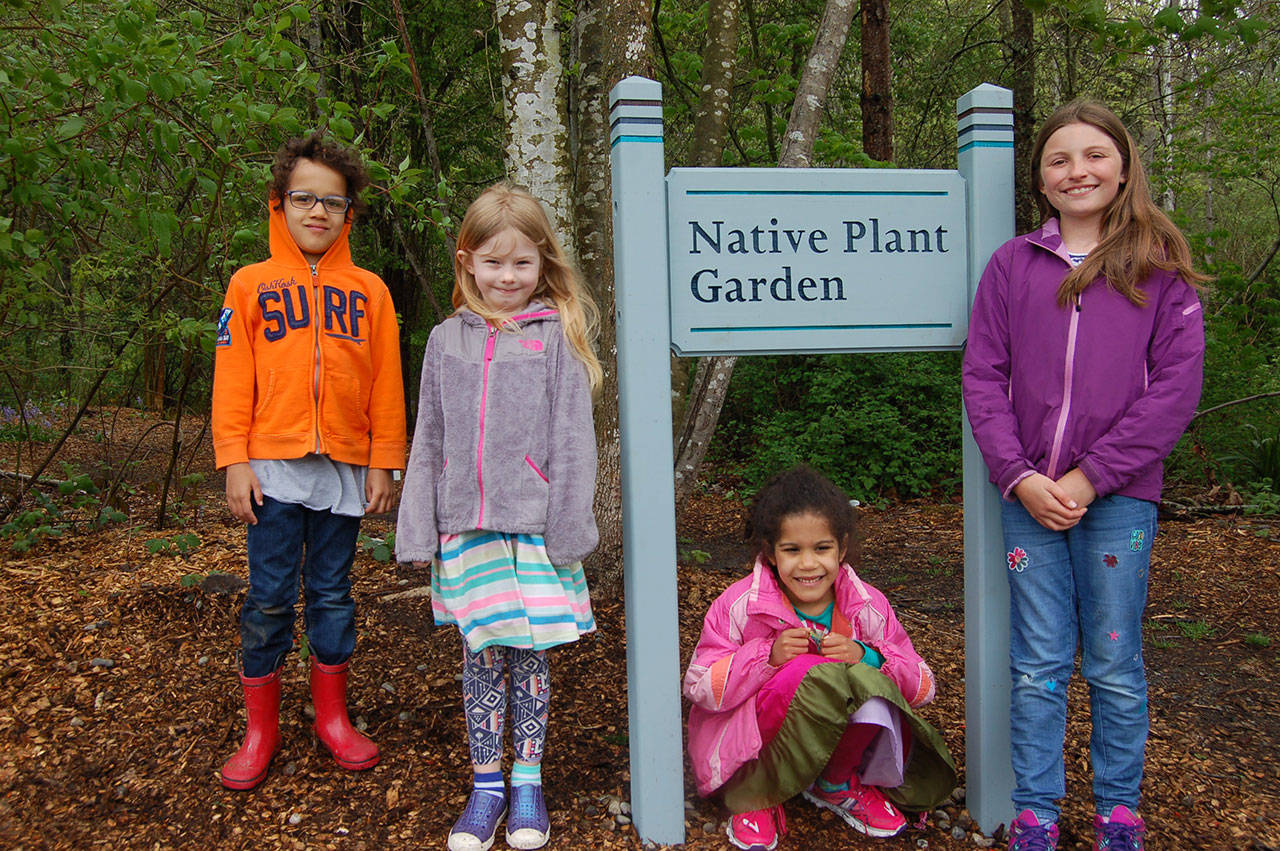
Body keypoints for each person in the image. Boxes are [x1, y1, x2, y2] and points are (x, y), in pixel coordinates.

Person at [962, 100, 1206, 851]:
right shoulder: (1012, 265)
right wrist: (1021, 476)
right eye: (1059, 160)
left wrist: (1093, 476)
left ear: (1123, 166)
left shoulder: (1160, 269)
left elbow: (1176, 389)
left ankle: (1118, 811)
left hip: (1118, 499)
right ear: (1040, 179)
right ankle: (1036, 811)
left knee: (1113, 659)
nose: (1078, 171)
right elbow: (982, 375)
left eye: (1094, 155)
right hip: (1028, 495)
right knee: (1037, 660)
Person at [395, 182, 602, 851]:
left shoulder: (556, 340)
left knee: (531, 658)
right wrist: (418, 525)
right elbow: (427, 434)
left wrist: (569, 527)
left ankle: (527, 781)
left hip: (534, 530)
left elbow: (574, 438)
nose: (507, 276)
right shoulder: (443, 340)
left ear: (542, 262)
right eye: (493, 262)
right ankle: (486, 787)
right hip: (468, 528)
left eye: (521, 263)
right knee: (482, 654)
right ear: (467, 262)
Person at [212, 132, 406, 791]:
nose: (318, 211)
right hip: (272, 470)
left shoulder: (370, 291)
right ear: (279, 203)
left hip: (344, 470)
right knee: (268, 597)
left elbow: (386, 381)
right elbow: (234, 378)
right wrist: (233, 459)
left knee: (330, 593)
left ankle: (333, 718)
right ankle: (259, 729)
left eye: (333, 201)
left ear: (348, 212)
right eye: (304, 198)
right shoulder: (250, 285)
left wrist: (386, 461)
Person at [683, 465, 956, 851]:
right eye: (792, 550)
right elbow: (698, 686)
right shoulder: (741, 606)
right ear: (771, 552)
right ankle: (757, 796)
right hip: (756, 749)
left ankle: (835, 782)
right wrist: (767, 657)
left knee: (864, 679)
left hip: (831, 743)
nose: (808, 564)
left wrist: (869, 656)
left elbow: (923, 687)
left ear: (842, 548)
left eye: (822, 549)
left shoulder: (866, 606)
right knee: (810, 673)